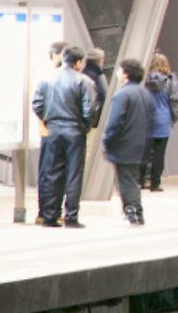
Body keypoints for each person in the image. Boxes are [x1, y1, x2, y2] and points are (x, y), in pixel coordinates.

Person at [33, 45, 95, 227]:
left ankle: (50, 215)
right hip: (74, 131)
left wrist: (47, 119)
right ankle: (71, 216)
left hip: (52, 130)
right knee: (73, 174)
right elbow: (89, 109)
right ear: (79, 62)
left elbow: (37, 103)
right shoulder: (84, 81)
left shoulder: (46, 78)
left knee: (51, 172)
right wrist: (85, 126)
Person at [99, 59, 154, 225]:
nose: (117, 73)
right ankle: (137, 211)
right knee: (133, 178)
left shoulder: (122, 95)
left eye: (119, 70)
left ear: (126, 74)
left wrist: (107, 140)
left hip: (124, 144)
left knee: (125, 180)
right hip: (140, 143)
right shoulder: (145, 93)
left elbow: (115, 122)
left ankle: (131, 212)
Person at [142, 53, 178, 192]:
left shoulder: (144, 79)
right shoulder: (170, 81)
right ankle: (155, 183)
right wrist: (174, 118)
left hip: (146, 120)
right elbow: (174, 101)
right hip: (163, 120)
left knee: (144, 153)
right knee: (159, 154)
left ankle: (140, 181)